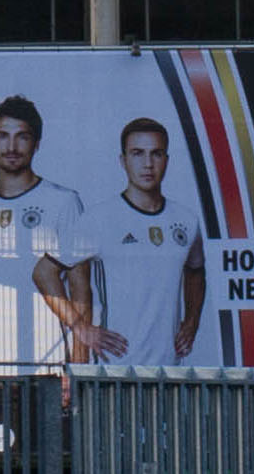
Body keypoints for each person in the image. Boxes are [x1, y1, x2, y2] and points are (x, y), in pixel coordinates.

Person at [0, 95, 92, 373]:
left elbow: (80, 288)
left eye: (22, 137)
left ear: (36, 143)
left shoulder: (63, 202)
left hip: (47, 365)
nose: (12, 147)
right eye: (3, 136)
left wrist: (78, 363)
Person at [62, 112, 207, 366]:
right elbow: (44, 273)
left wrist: (192, 320)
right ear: (123, 160)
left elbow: (196, 271)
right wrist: (81, 327)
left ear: (167, 160)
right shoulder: (99, 218)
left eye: (156, 154)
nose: (148, 164)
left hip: (169, 369)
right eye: (138, 153)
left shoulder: (186, 219)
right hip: (114, 369)